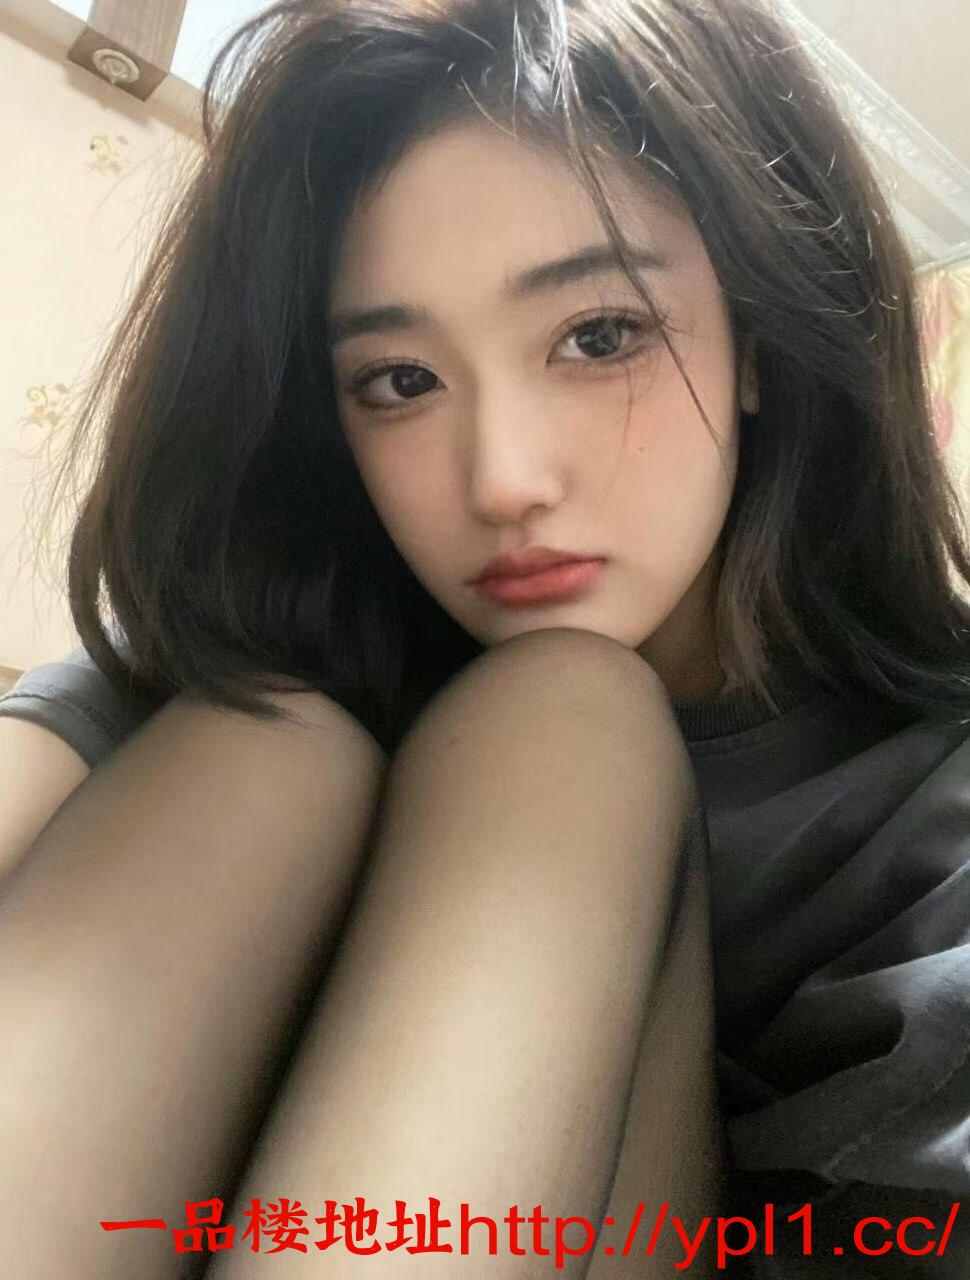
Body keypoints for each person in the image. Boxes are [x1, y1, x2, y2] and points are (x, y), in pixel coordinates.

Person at [0, 0, 968, 1275]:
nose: (503, 479)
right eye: (399, 380)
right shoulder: (292, 654)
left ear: (757, 340)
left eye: (599, 335)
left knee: (560, 721)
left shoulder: (929, 811)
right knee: (274, 736)